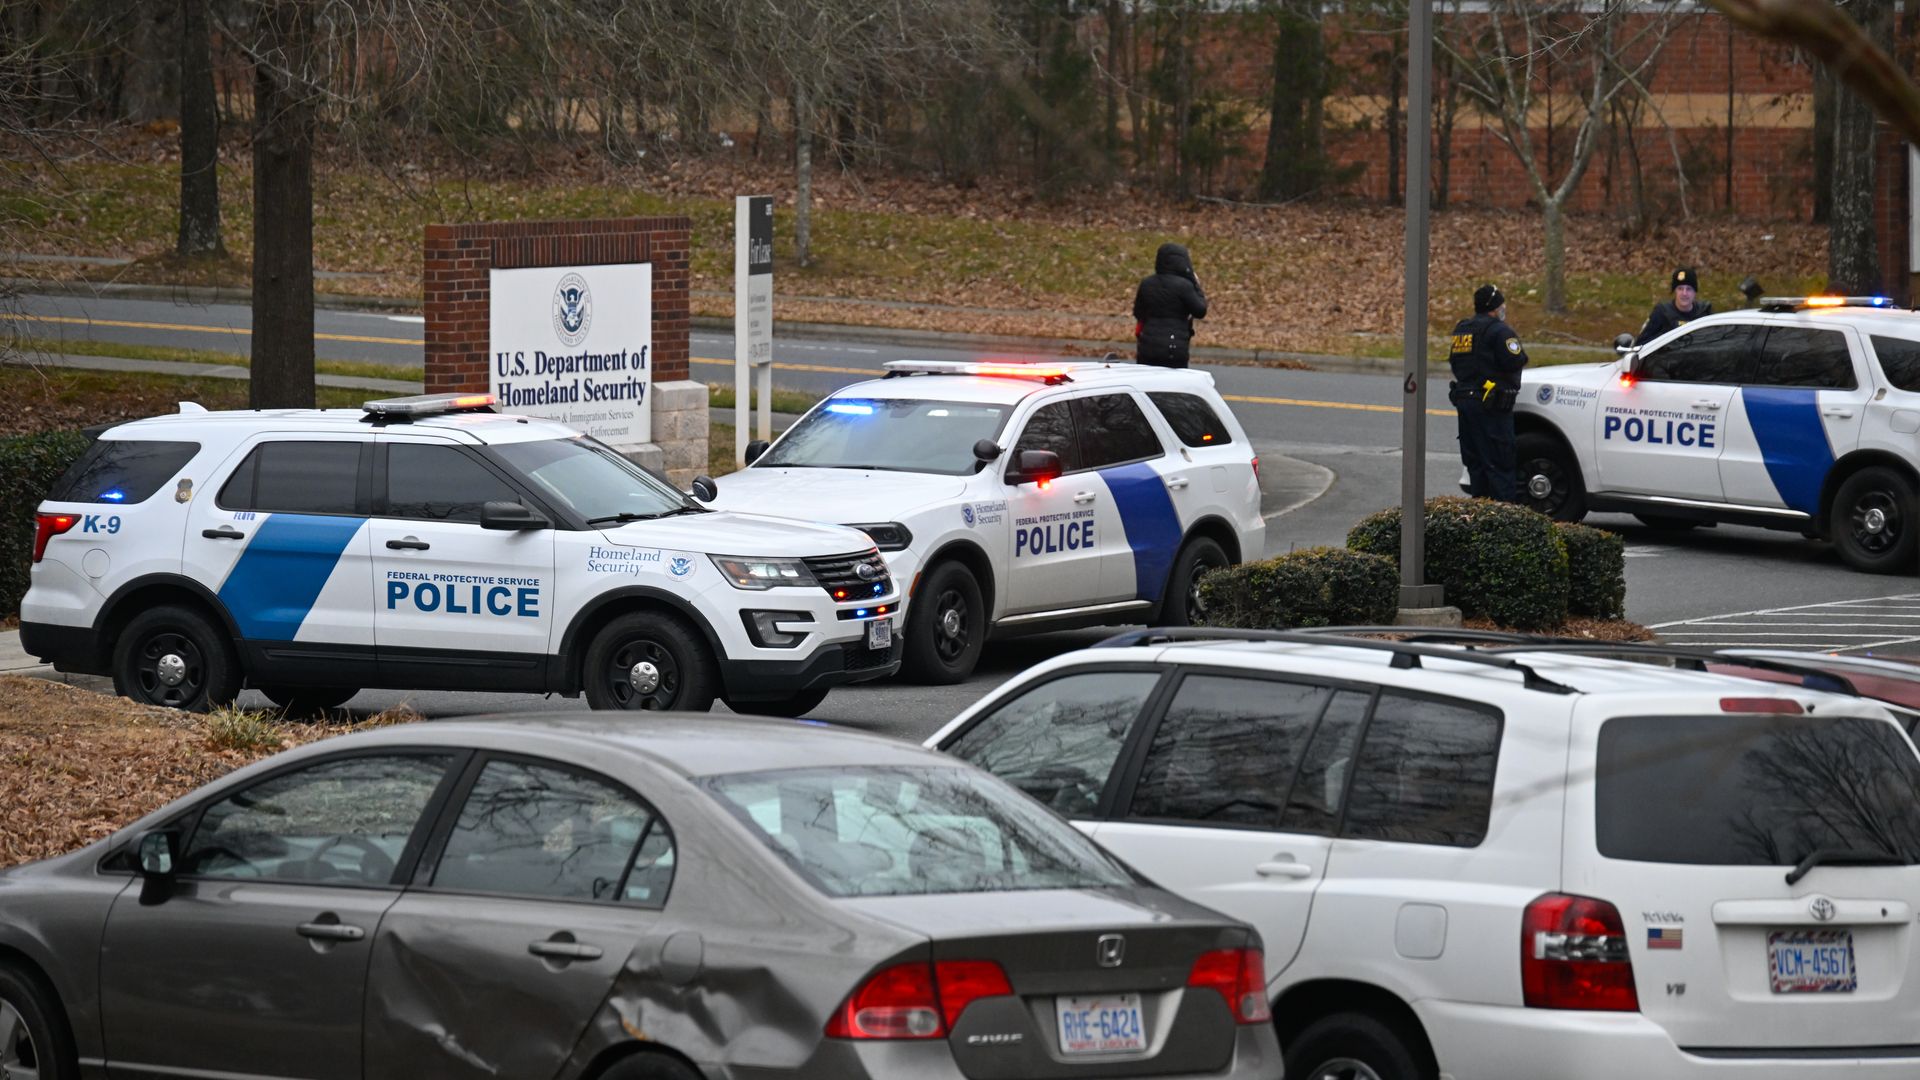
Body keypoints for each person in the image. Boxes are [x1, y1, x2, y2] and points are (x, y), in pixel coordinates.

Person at [1448, 283, 1528, 503]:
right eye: (1502, 305)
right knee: (1500, 464)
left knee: (1477, 466)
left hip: (1465, 403)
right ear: (1495, 307)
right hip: (1490, 406)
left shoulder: (1462, 329)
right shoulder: (1499, 331)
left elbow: (1456, 363)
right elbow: (1516, 359)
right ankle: (1503, 521)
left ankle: (1480, 518)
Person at [1132, 242, 1208, 369]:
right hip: (1174, 346)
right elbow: (1200, 310)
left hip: (1148, 345)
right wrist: (1195, 283)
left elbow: (1138, 312)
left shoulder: (1147, 284)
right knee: (1174, 384)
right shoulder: (1184, 286)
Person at [1636, 267, 1714, 345]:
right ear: (1675, 291)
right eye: (1680, 289)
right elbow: (1641, 345)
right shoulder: (1662, 313)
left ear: (1694, 292)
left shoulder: (1704, 313)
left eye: (1689, 289)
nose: (1684, 293)